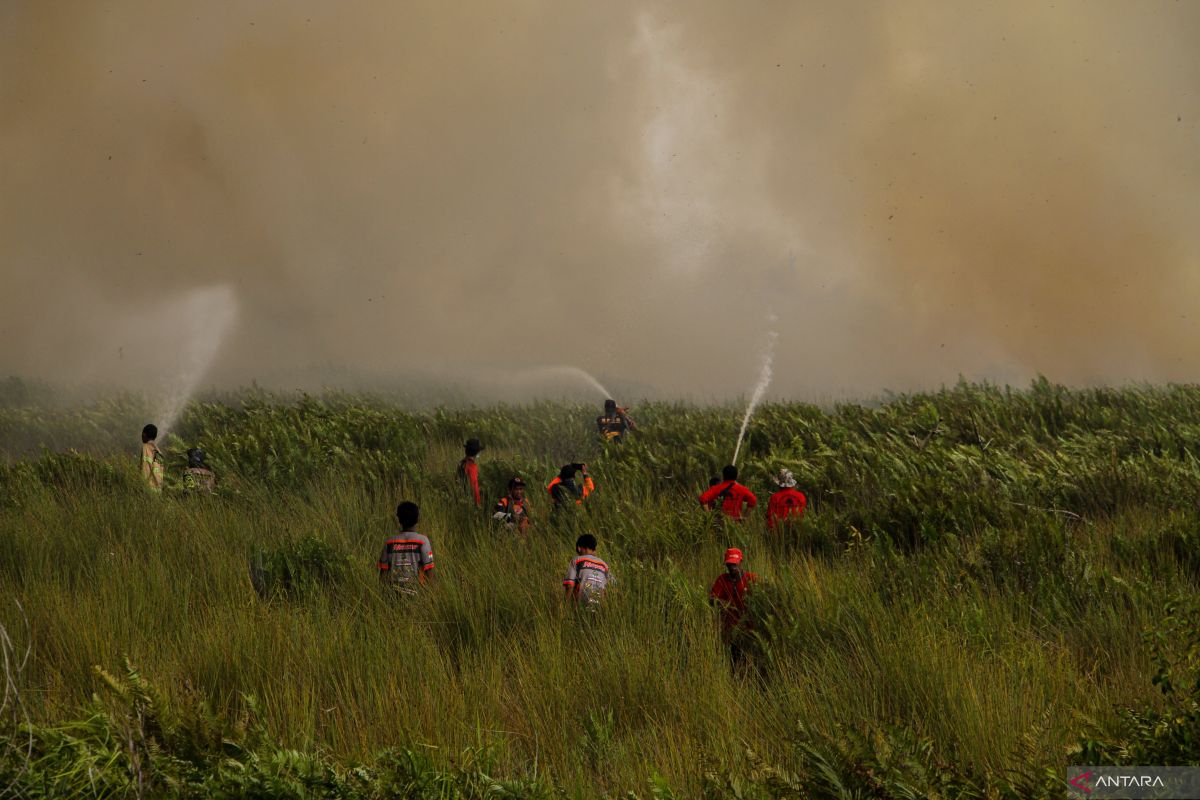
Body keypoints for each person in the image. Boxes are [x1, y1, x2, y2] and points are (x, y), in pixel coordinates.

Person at [708, 548, 759, 670]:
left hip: (751, 630)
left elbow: (763, 599)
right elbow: (712, 599)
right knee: (735, 662)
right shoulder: (722, 580)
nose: (732, 567)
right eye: (729, 564)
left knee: (752, 662)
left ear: (741, 562)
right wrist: (726, 604)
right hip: (731, 630)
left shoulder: (752, 578)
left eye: (735, 563)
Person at [377, 501, 435, 592]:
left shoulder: (389, 543)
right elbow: (429, 571)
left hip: (394, 594)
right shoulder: (423, 541)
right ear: (417, 519)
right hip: (418, 594)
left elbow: (383, 574)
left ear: (399, 519)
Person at [563, 533, 612, 608]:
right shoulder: (604, 565)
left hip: (581, 604)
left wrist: (565, 606)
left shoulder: (577, 560)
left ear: (579, 548)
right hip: (600, 606)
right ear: (594, 550)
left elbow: (569, 585)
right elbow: (613, 586)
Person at [457, 438, 484, 507]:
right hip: (470, 500)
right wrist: (478, 503)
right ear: (476, 452)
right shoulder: (472, 466)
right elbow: (474, 486)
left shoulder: (461, 463)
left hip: (460, 497)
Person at [140, 424, 165, 492]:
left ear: (144, 434)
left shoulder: (145, 447)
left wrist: (142, 485)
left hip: (148, 487)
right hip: (158, 488)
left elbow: (145, 468)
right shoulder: (159, 452)